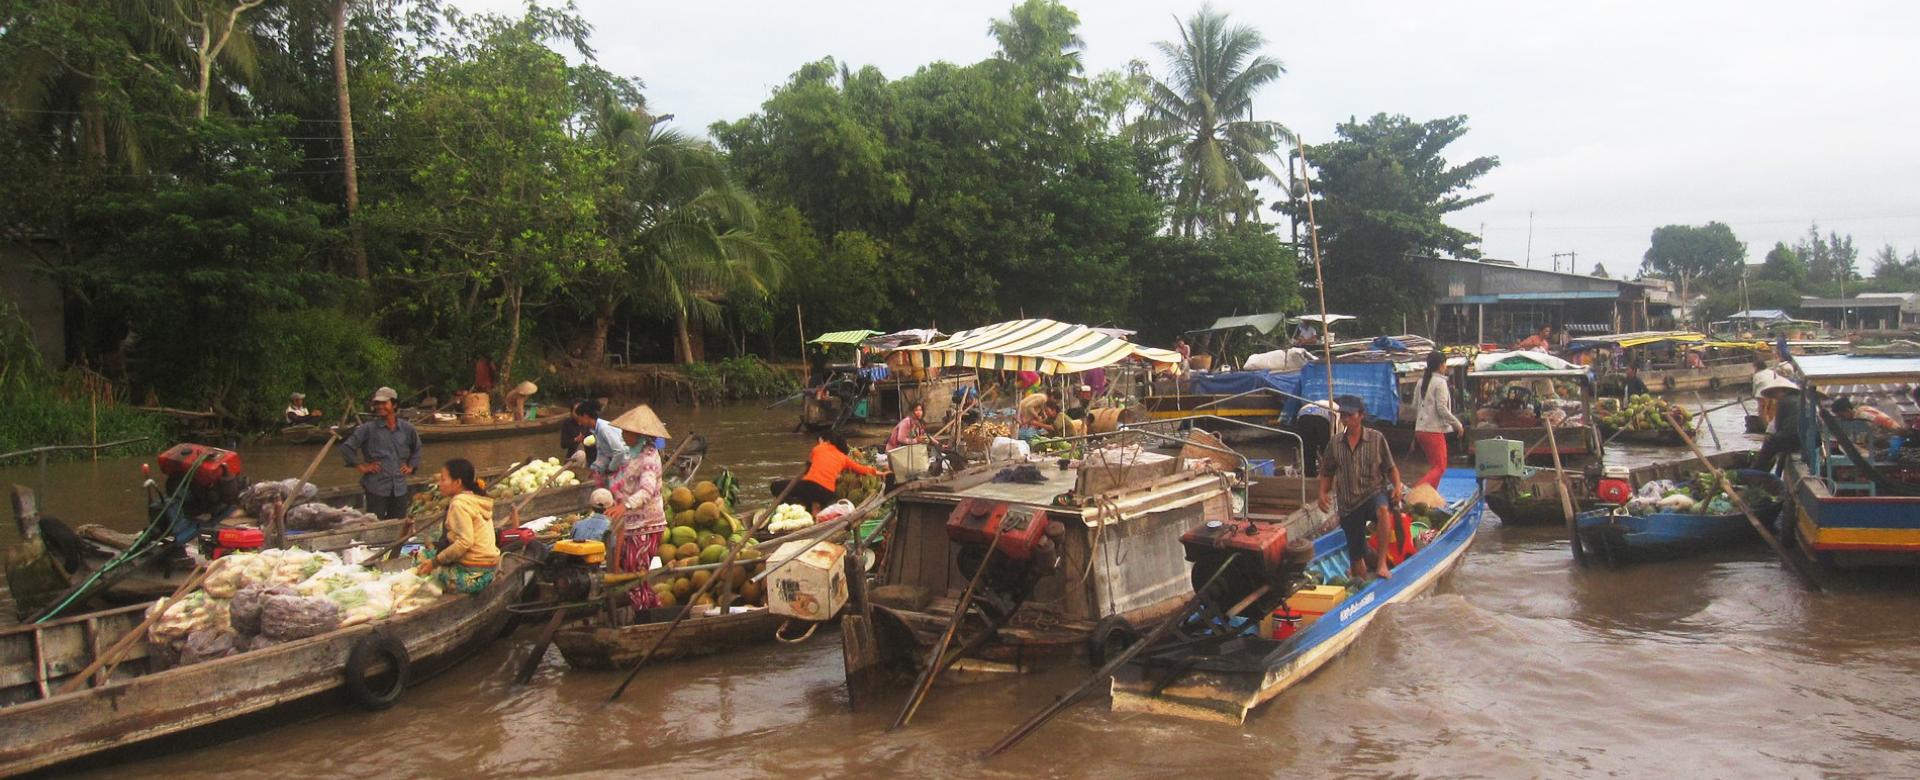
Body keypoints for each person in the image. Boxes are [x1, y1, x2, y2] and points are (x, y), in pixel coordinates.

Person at [1317, 396, 1404, 581]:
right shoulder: (1335, 443)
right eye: (1343, 415)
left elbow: (1391, 468)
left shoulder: (1376, 438)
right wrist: (1322, 493)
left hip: (1373, 493)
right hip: (1348, 504)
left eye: (1350, 415)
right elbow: (1327, 472)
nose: (1345, 419)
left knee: (1382, 510)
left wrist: (1397, 486)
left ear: (1361, 416)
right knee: (1357, 563)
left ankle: (1381, 564)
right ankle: (1361, 577)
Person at [605, 404, 671, 610]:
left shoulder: (650, 457)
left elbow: (647, 490)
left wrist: (625, 506)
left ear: (638, 433)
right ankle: (648, 610)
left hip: (647, 524)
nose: (623, 435)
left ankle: (644, 614)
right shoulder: (634, 454)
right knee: (629, 574)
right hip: (631, 524)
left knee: (635, 576)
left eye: (627, 432)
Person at [413, 458, 500, 594]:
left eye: (443, 479)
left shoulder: (459, 503)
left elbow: (465, 542)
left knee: (419, 558)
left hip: (472, 576)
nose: (439, 483)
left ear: (458, 482)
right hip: (489, 569)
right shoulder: (474, 499)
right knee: (431, 555)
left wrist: (434, 562)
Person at [341, 386, 422, 520]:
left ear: (394, 404)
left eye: (384, 403)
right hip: (376, 487)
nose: (380, 406)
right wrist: (361, 466)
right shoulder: (368, 429)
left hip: (399, 487)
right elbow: (347, 448)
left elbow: (417, 448)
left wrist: (411, 466)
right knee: (375, 525)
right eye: (377, 403)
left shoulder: (407, 429)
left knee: (397, 525)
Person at [776, 433, 885, 513]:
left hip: (812, 487)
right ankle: (813, 512)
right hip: (827, 493)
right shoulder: (844, 458)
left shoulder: (819, 448)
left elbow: (810, 468)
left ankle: (796, 508)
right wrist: (880, 473)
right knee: (809, 494)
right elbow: (862, 468)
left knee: (776, 486)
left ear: (828, 441)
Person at [1413, 351, 1466, 488]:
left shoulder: (1420, 382)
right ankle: (1416, 493)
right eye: (1445, 364)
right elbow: (1442, 409)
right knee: (1440, 468)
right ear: (1441, 365)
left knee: (1434, 467)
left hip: (1420, 430)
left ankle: (1430, 498)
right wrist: (1457, 424)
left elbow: (1415, 405)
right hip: (1433, 431)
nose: (1446, 368)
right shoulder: (1440, 382)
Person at [573, 400, 629, 486]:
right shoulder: (595, 430)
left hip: (624, 463)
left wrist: (611, 469)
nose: (580, 422)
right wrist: (595, 468)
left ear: (585, 416)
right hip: (614, 461)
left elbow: (620, 451)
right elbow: (602, 452)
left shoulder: (604, 429)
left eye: (580, 419)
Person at [1754, 380, 1803, 473]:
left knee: (1769, 446)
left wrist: (1771, 438)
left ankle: (1756, 473)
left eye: (1775, 393)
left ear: (1783, 391)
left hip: (1793, 436)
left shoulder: (1784, 401)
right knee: (1779, 442)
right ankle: (1777, 472)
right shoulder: (1799, 399)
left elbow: (1778, 425)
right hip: (1803, 437)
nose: (1775, 396)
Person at [1293, 399, 1335, 477]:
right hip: (1322, 418)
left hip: (1303, 415)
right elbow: (1338, 433)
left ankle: (1310, 475)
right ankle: (1329, 475)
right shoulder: (1337, 408)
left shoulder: (1318, 402)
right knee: (1327, 450)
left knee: (1308, 449)